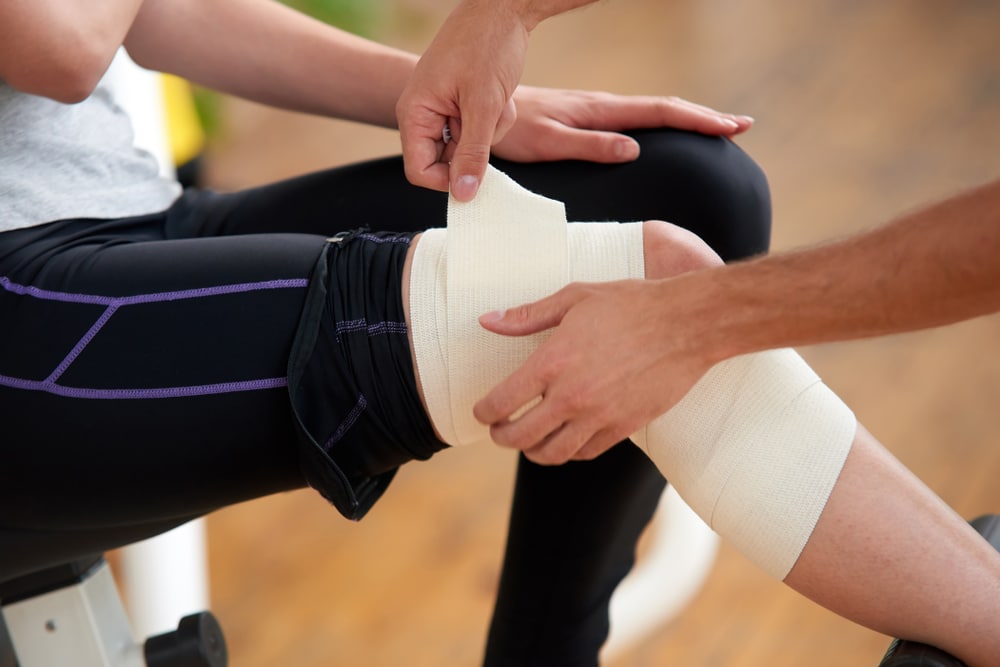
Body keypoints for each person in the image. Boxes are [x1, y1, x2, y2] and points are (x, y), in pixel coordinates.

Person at [0, 2, 765, 666]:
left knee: (692, 189)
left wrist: (457, 104)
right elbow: (60, 45)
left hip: (128, 220)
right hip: (19, 296)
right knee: (631, 269)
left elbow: (159, 12)